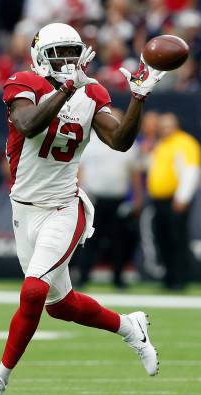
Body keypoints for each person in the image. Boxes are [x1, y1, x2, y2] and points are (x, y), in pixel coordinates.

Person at [0, 23, 165, 395]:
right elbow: (28, 124)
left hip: (64, 207)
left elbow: (120, 141)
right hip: (24, 209)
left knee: (34, 292)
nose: (67, 62)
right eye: (58, 54)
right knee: (60, 305)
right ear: (40, 56)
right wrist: (64, 90)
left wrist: (139, 99)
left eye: (72, 53)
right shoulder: (23, 82)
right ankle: (130, 327)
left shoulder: (91, 91)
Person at [76, 108, 145, 289]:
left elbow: (135, 172)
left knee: (118, 240)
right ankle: (82, 275)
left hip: (118, 199)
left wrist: (138, 196)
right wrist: (78, 193)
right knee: (89, 239)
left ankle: (118, 277)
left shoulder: (128, 142)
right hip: (93, 198)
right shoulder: (88, 139)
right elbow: (79, 169)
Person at [147, 113, 201, 290]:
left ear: (176, 125)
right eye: (162, 125)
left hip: (175, 199)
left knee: (177, 240)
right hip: (159, 199)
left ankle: (180, 279)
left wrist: (182, 197)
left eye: (168, 125)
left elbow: (191, 171)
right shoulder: (161, 144)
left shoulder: (185, 143)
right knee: (162, 240)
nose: (164, 129)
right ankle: (169, 278)